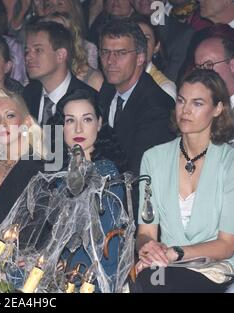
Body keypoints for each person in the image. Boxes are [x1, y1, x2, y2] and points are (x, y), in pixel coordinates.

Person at [135, 69, 234, 293]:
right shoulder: (154, 158)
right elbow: (146, 233)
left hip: (213, 267)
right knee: (147, 283)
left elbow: (227, 245)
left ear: (218, 109)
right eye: (181, 101)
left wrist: (175, 253)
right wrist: (148, 247)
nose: (185, 110)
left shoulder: (230, 162)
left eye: (197, 103)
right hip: (165, 265)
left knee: (162, 285)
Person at [47, 88, 128, 292]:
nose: (79, 129)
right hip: (58, 271)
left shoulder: (106, 172)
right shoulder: (55, 175)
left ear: (99, 123)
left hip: (92, 275)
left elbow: (105, 245)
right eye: (70, 120)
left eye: (87, 119)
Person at [98, 18, 175, 176]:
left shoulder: (157, 107)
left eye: (121, 53)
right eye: (105, 52)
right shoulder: (106, 90)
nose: (110, 61)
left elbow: (139, 173)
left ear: (141, 58)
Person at [0, 87, 45, 231]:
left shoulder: (38, 169)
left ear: (26, 123)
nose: (2, 124)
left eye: (10, 116)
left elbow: (38, 230)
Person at [23, 21, 98, 126]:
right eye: (27, 51)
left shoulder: (88, 99)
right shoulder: (27, 95)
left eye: (38, 50)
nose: (28, 57)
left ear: (60, 55)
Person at [41, 12, 104, 91]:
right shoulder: (39, 78)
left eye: (58, 33)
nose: (52, 40)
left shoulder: (92, 79)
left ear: (73, 39)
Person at [133, 14, 177, 100]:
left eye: (146, 38)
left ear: (156, 47)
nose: (140, 44)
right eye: (135, 38)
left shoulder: (164, 89)